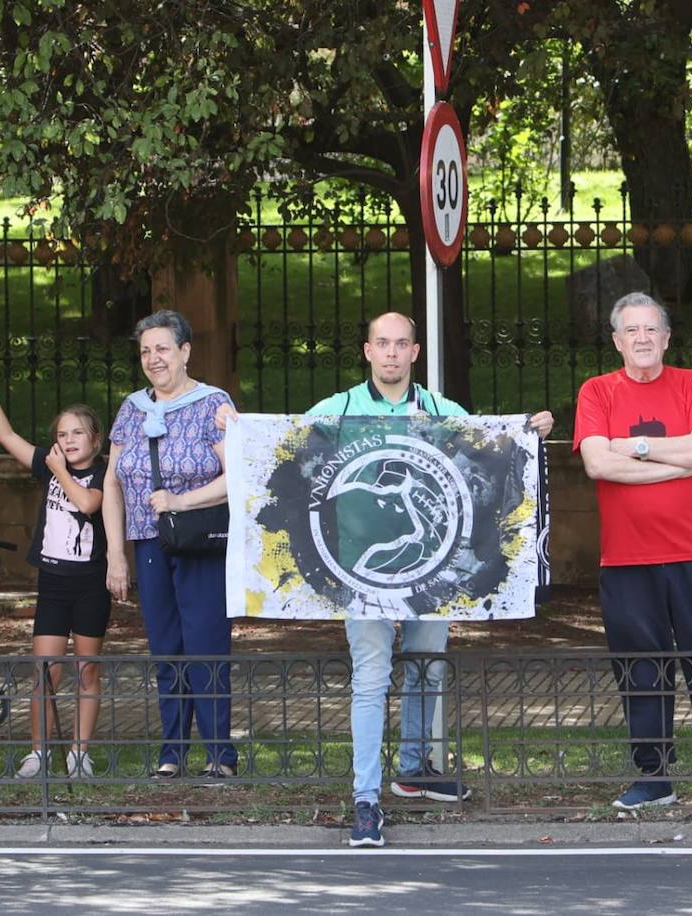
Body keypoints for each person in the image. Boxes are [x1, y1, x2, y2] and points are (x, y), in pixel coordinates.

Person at [222, 311, 553, 847]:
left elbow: (488, 450)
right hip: (359, 575)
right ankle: (365, 800)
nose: (393, 352)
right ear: (368, 351)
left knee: (427, 668)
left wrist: (529, 432)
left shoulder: (440, 410)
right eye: (383, 343)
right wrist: (239, 431)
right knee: (371, 679)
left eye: (402, 344)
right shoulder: (339, 409)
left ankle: (415, 769)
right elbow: (285, 445)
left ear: (415, 352)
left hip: (431, 569)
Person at [573, 291, 692, 811]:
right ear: (617, 341)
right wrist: (678, 462)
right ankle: (653, 776)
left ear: (667, 338)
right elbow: (597, 464)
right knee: (640, 665)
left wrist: (636, 447)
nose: (642, 338)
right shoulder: (597, 391)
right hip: (625, 558)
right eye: (631, 330)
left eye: (651, 329)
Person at [102, 310, 237, 780]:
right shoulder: (131, 408)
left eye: (162, 348)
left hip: (201, 543)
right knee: (165, 648)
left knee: (206, 646)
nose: (153, 358)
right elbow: (113, 482)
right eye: (145, 351)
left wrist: (181, 501)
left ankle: (219, 754)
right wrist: (115, 554)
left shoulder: (212, 404)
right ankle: (172, 751)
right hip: (148, 542)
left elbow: (237, 475)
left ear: (185, 351)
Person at [0, 382, 109, 779]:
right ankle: (39, 753)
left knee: (87, 670)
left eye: (77, 432)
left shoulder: (103, 472)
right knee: (46, 671)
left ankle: (79, 754)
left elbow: (87, 503)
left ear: (95, 439)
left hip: (90, 584)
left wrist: (59, 469)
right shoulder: (49, 463)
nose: (69, 440)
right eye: (62, 434)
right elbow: (7, 437)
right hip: (54, 583)